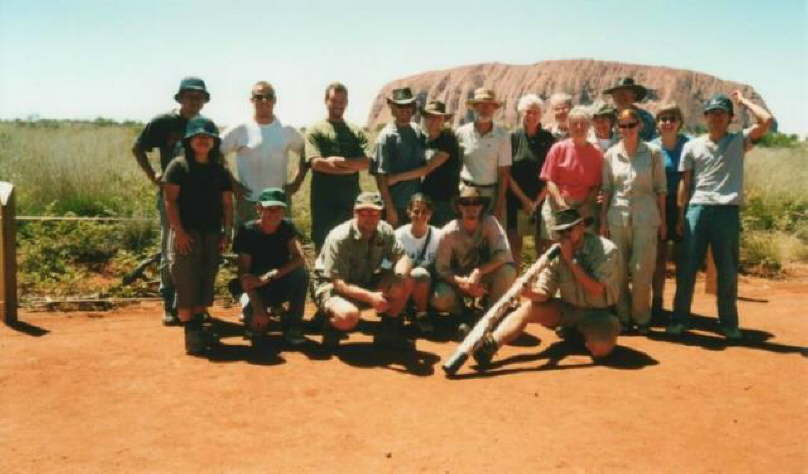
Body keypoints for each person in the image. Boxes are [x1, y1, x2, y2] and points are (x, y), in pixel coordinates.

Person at [668, 92, 773, 340]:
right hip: (698, 209)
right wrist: (681, 215)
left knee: (726, 270)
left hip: (727, 211)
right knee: (687, 269)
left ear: (730, 118)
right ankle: (679, 319)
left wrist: (744, 101)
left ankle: (728, 323)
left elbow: (766, 121)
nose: (716, 117)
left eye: (721, 113)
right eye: (712, 113)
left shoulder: (739, 141)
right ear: (705, 117)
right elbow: (686, 182)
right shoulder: (692, 145)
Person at [471, 209, 623, 368]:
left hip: (599, 314)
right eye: (560, 232)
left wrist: (571, 260)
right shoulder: (555, 253)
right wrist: (525, 291)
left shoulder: (606, 250)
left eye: (569, 229)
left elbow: (596, 289)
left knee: (600, 349)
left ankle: (577, 335)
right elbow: (543, 294)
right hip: (568, 309)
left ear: (582, 226)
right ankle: (491, 344)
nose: (564, 235)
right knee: (528, 308)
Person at [132, 76, 210, 326]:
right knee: (170, 248)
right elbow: (138, 147)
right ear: (180, 98)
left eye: (199, 97)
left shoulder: (204, 125)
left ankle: (192, 303)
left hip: (199, 198)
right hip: (171, 195)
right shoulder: (164, 122)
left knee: (195, 250)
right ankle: (169, 303)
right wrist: (153, 174)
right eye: (189, 96)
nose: (194, 101)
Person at [163, 116, 234, 355]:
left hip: (212, 233)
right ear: (190, 140)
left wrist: (226, 232)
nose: (203, 140)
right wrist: (179, 232)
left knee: (206, 282)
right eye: (198, 136)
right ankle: (191, 337)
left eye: (208, 137)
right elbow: (170, 202)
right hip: (187, 233)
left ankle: (200, 333)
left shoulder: (219, 170)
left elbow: (227, 204)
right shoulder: (178, 166)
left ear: (214, 142)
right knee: (186, 285)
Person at [312, 192, 415, 350]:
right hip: (331, 285)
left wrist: (398, 277)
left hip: (365, 279)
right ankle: (330, 323)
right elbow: (338, 283)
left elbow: (403, 257)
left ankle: (388, 328)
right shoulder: (339, 237)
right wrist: (371, 297)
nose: (369, 217)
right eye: (363, 212)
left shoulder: (385, 230)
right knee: (348, 316)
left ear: (381, 213)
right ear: (355, 213)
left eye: (374, 212)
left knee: (407, 280)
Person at [600, 109, 667, 334]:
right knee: (617, 271)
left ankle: (642, 318)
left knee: (642, 271)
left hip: (646, 218)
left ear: (639, 126)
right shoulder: (610, 154)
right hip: (617, 217)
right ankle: (623, 318)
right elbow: (607, 189)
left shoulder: (653, 153)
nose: (627, 130)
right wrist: (602, 221)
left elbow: (661, 190)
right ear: (618, 128)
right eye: (623, 126)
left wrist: (664, 221)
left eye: (631, 125)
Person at [220, 81, 306, 226]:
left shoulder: (286, 129)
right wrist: (233, 184)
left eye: (269, 96)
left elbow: (306, 153)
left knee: (280, 245)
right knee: (247, 246)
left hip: (279, 201)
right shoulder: (240, 128)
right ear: (251, 100)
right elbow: (216, 152)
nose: (264, 100)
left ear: (275, 100)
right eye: (259, 97)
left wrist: (296, 183)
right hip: (249, 201)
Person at [232, 187, 308, 348]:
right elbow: (244, 274)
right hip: (253, 287)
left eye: (279, 209)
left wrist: (271, 276)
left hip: (275, 280)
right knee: (256, 325)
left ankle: (293, 324)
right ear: (259, 208)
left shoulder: (287, 227)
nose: (274, 214)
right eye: (269, 209)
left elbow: (299, 258)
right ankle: (252, 307)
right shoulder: (247, 231)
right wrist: (258, 309)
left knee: (302, 273)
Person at [432, 186, 517, 328]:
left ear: (482, 206)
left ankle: (491, 314)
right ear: (459, 207)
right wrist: (464, 283)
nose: (471, 208)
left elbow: (503, 254)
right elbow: (441, 270)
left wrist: (479, 272)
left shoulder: (491, 223)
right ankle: (461, 313)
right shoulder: (448, 232)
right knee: (439, 298)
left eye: (476, 202)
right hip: (458, 281)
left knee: (508, 272)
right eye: (466, 203)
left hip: (484, 277)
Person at [305, 82, 371, 251]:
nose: (338, 105)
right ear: (326, 101)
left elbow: (367, 162)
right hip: (324, 199)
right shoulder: (315, 130)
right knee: (323, 241)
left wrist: (340, 162)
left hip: (350, 198)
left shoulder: (356, 131)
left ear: (347, 103)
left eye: (342, 101)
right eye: (334, 101)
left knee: (351, 241)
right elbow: (316, 163)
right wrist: (351, 168)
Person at [385, 100, 461, 227]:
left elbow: (427, 168)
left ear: (443, 120)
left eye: (437, 118)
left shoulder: (447, 139)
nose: (433, 121)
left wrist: (396, 177)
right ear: (424, 118)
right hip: (427, 199)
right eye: (429, 117)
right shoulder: (425, 140)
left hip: (445, 201)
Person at [539, 106, 603, 241]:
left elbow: (596, 185)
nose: (579, 127)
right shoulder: (558, 148)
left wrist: (585, 206)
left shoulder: (597, 154)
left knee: (583, 248)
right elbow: (549, 180)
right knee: (556, 248)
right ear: (568, 126)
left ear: (589, 126)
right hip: (558, 206)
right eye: (574, 124)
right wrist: (561, 204)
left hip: (584, 208)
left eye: (583, 123)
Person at [507, 94, 555, 267]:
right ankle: (517, 289)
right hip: (515, 200)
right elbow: (507, 173)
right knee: (516, 247)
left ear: (541, 114)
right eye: (528, 112)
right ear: (522, 113)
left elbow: (552, 173)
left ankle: (537, 287)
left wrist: (535, 202)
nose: (532, 116)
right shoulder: (513, 138)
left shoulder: (548, 139)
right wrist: (525, 200)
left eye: (536, 112)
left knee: (540, 247)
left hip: (541, 201)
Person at [651, 103, 690, 315]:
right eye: (663, 119)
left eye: (672, 119)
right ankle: (657, 302)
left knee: (683, 258)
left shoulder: (690, 145)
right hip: (659, 206)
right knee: (659, 257)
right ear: (657, 123)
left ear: (680, 123)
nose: (667, 123)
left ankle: (681, 306)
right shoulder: (651, 147)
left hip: (685, 205)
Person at [455, 88, 511, 225]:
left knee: (490, 238)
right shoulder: (461, 133)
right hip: (466, 192)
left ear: (494, 108)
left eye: (489, 105)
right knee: (466, 238)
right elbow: (455, 166)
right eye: (480, 105)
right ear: (474, 107)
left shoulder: (502, 136)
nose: (484, 109)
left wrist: (499, 205)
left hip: (490, 194)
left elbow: (504, 173)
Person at [373, 87, 427, 227]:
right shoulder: (386, 137)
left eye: (408, 105)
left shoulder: (417, 131)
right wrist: (390, 209)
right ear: (393, 108)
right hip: (396, 206)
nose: (405, 110)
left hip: (416, 205)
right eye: (400, 106)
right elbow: (381, 178)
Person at [394, 194, 442, 335]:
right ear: (408, 212)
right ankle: (398, 312)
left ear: (430, 214)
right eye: (416, 211)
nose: (420, 215)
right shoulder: (398, 235)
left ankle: (422, 314)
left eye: (425, 212)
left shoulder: (439, 236)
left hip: (429, 284)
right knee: (415, 273)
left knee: (421, 274)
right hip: (404, 284)